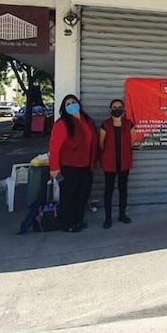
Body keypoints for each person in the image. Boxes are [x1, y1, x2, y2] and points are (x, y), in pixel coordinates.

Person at [49, 94, 99, 233]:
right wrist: (54, 168)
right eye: (68, 104)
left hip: (86, 165)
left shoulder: (87, 121)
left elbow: (93, 142)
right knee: (69, 196)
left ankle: (78, 221)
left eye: (73, 102)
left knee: (83, 194)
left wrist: (95, 160)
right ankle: (68, 224)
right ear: (64, 108)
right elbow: (54, 148)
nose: (71, 105)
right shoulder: (62, 124)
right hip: (68, 166)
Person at [99, 98, 137, 228]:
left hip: (124, 162)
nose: (117, 109)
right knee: (108, 190)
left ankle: (122, 214)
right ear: (110, 109)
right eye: (114, 107)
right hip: (109, 163)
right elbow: (101, 143)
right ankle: (108, 218)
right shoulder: (105, 125)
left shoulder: (129, 124)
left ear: (123, 109)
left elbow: (132, 141)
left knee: (123, 189)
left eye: (119, 107)